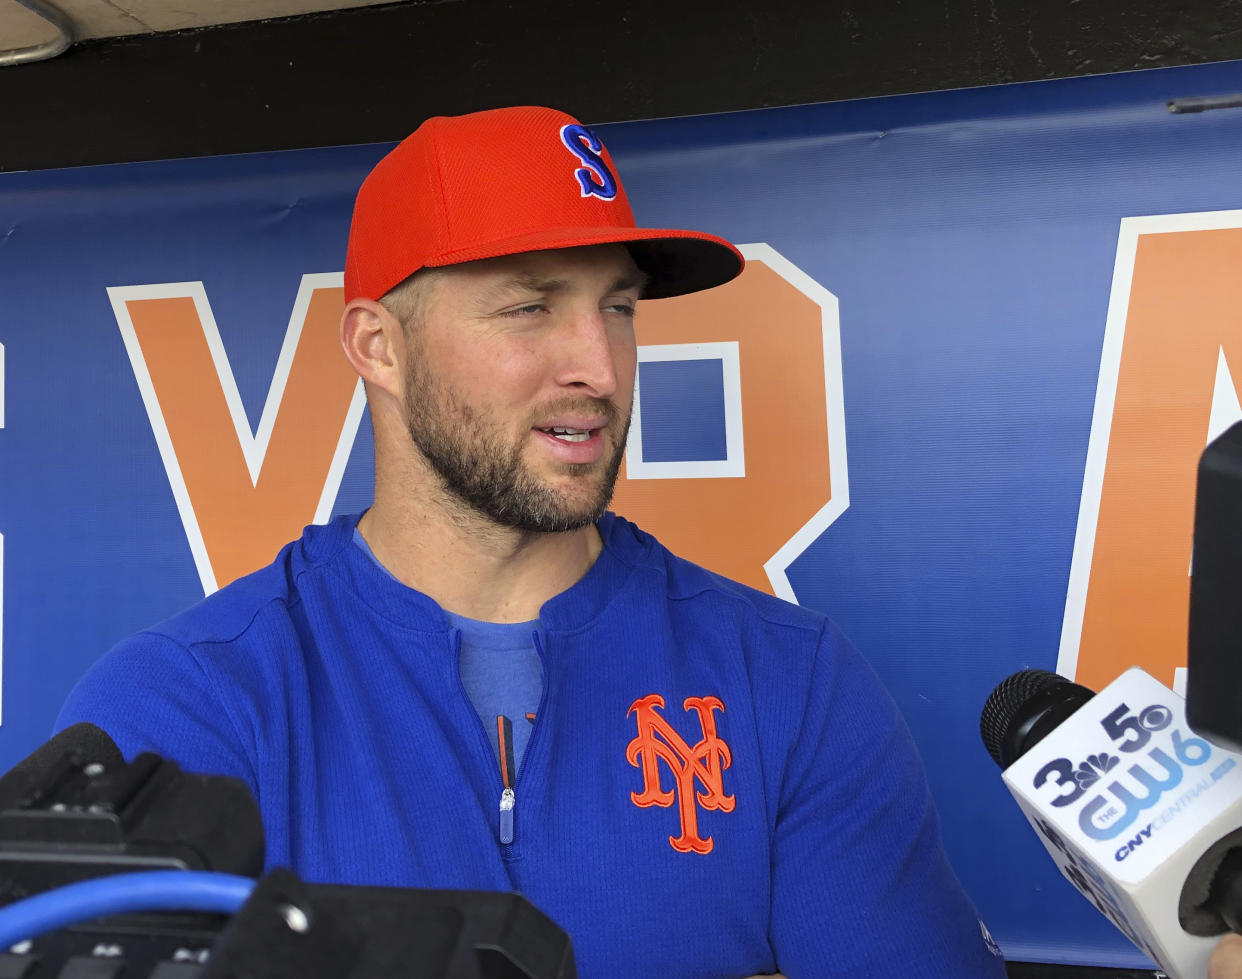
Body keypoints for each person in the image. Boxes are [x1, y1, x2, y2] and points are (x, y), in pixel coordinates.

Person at [57, 106, 1007, 978]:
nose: (598, 365)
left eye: (619, 307)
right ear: (378, 346)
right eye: (529, 306)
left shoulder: (790, 682)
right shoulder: (186, 705)